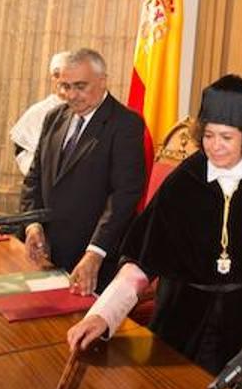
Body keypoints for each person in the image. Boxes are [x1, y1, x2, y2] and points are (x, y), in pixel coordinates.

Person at [67, 75, 242, 389]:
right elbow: (140, 264)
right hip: (179, 322)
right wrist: (101, 316)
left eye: (226, 137)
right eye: (209, 135)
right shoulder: (184, 180)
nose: (215, 145)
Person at [19, 47, 147, 293]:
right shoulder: (54, 117)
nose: (71, 95)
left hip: (93, 258)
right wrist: (33, 225)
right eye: (65, 86)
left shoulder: (125, 123)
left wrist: (95, 252)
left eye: (80, 86)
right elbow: (34, 178)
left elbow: (124, 195)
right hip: (48, 253)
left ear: (102, 81)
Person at [10, 52, 72, 176]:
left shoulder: (85, 108)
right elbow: (21, 148)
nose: (61, 80)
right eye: (56, 75)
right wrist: (37, 173)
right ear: (52, 78)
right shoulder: (39, 111)